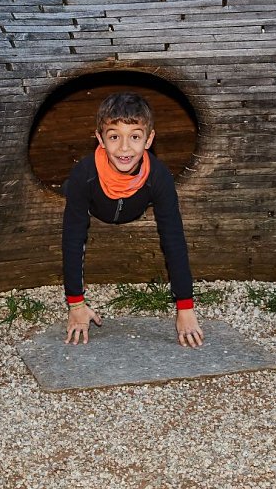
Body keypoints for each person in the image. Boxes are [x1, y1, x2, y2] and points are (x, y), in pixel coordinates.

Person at [61, 91, 203, 348]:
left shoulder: (158, 176)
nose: (124, 148)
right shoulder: (84, 174)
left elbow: (173, 238)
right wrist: (76, 303)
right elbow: (73, 238)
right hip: (96, 206)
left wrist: (185, 306)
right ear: (100, 139)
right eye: (114, 136)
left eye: (135, 137)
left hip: (135, 206)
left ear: (149, 139)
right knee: (69, 188)